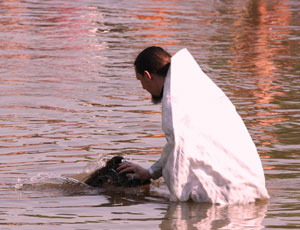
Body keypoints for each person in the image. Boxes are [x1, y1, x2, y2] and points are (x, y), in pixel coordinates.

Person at [118, 46, 269, 204]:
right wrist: (150, 173)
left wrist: (174, 203)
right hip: (252, 184)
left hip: (228, 198)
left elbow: (178, 154)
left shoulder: (174, 104)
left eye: (140, 80)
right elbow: (178, 148)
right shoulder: (194, 86)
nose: (143, 87)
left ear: (148, 76)